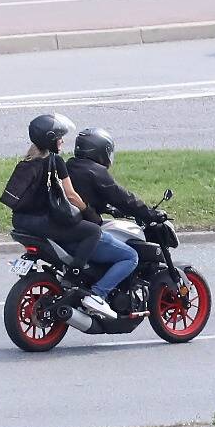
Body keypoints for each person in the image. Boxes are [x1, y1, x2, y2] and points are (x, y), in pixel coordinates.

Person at [2, 113, 112, 320]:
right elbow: (71, 195)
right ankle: (74, 275)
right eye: (59, 137)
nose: (62, 141)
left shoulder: (26, 161)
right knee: (93, 231)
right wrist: (90, 213)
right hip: (42, 223)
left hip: (20, 222)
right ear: (50, 139)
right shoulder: (56, 161)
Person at [66, 127, 146, 304]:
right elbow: (123, 198)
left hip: (65, 229)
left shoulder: (69, 166)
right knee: (130, 256)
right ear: (101, 150)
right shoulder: (96, 171)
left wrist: (108, 208)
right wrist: (150, 213)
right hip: (82, 233)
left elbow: (86, 197)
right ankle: (98, 294)